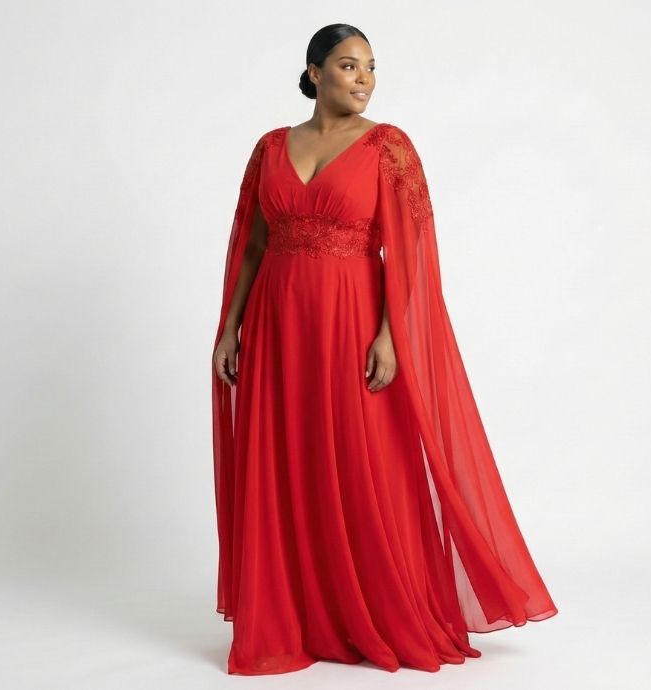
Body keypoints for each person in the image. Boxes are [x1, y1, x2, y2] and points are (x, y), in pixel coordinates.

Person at [211, 23, 558, 676]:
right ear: (314, 73)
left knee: (360, 458)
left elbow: (412, 252)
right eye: (348, 66)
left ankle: (368, 608)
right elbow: (252, 244)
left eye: (371, 67)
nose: (364, 79)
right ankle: (297, 612)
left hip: (351, 322)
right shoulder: (270, 147)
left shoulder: (388, 146)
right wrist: (229, 329)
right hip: (276, 323)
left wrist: (391, 337)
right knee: (284, 458)